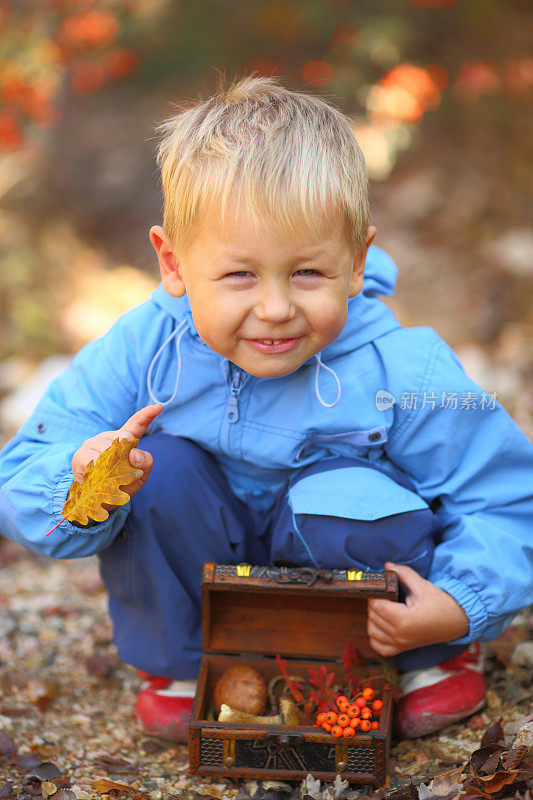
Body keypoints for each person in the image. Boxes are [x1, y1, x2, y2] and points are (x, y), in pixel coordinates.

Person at [0, 73, 532, 743]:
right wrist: (78, 478)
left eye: (307, 273)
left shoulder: (406, 368)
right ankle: (188, 662)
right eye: (239, 275)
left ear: (356, 261)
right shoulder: (143, 350)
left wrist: (461, 604)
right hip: (205, 560)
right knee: (154, 468)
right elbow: (22, 470)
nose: (275, 307)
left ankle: (427, 656)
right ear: (174, 263)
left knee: (346, 496)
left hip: (365, 595)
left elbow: (503, 495)